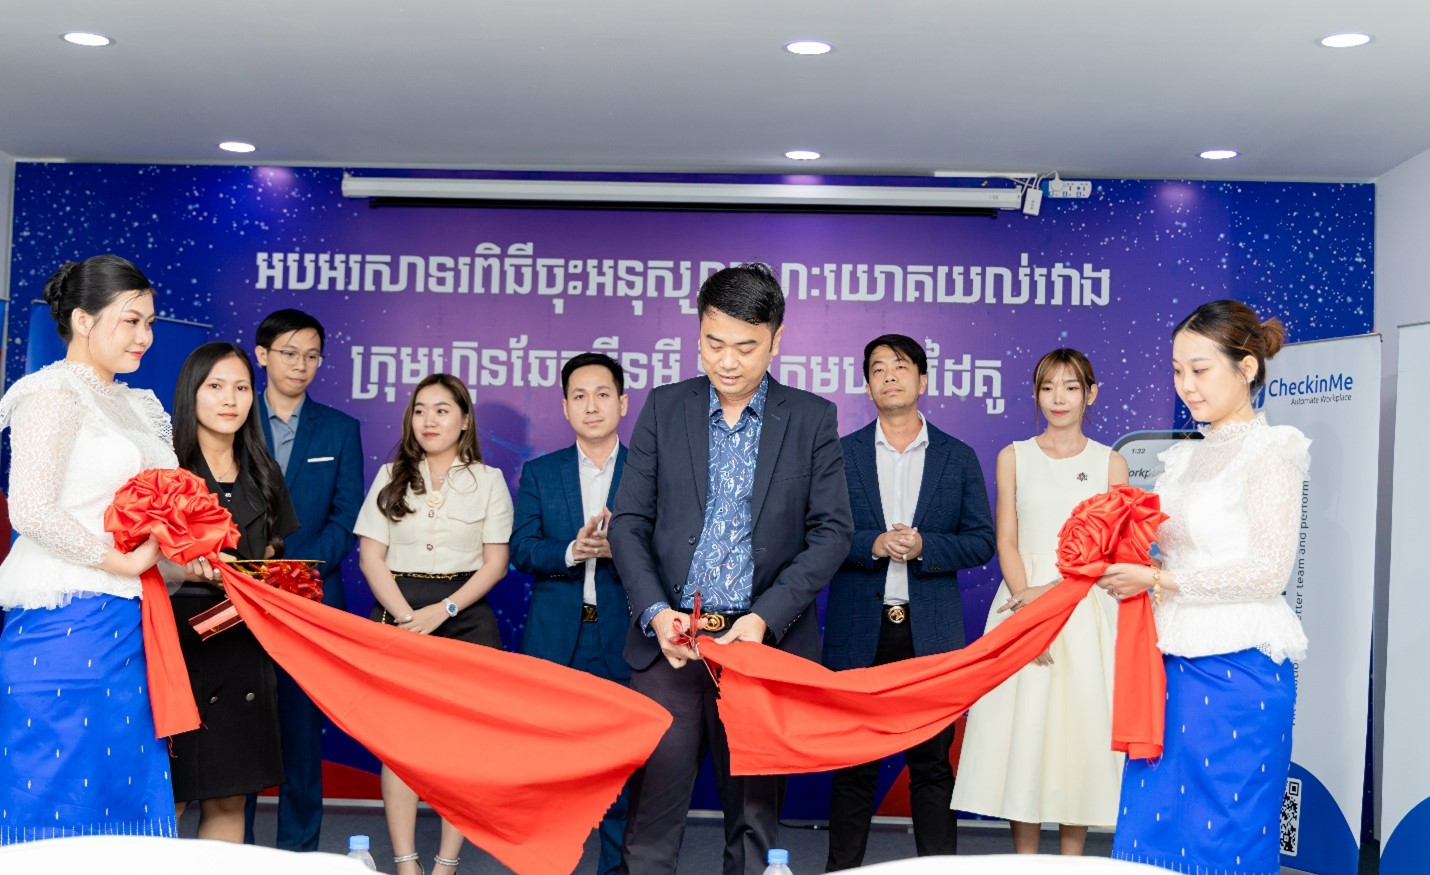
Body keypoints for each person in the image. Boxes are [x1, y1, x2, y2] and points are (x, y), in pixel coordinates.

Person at [609, 262, 853, 875]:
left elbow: (832, 533)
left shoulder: (811, 418)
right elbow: (629, 523)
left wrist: (764, 619)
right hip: (672, 645)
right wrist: (656, 613)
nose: (727, 361)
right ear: (698, 333)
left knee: (753, 826)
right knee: (651, 820)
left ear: (776, 339)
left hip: (758, 650)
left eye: (746, 346)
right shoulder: (665, 408)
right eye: (713, 342)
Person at [1098, 300, 1309, 874]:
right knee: (1155, 828)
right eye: (1176, 371)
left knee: (1225, 833)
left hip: (1239, 666)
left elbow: (1268, 570)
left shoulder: (1273, 450)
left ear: (1246, 368)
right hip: (1168, 666)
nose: (1185, 385)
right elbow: (1173, 550)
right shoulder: (1184, 458)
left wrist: (1157, 577)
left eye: (1199, 369)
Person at [0, 255, 176, 842]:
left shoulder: (137, 404)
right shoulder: (52, 393)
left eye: (149, 323)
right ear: (82, 320)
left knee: (122, 784)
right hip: (64, 618)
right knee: (57, 784)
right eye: (130, 321)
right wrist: (121, 561)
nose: (144, 336)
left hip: (132, 617)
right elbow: (30, 508)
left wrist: (187, 547)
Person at [821, 334, 996, 870]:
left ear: (922, 380)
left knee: (932, 767)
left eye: (900, 367)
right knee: (853, 767)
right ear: (867, 385)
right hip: (859, 629)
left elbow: (981, 541)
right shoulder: (839, 454)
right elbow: (818, 535)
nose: (889, 376)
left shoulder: (956, 456)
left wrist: (926, 548)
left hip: (930, 634)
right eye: (877, 369)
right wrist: (872, 544)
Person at [950, 348, 1128, 855]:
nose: (1058, 398)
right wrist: (1029, 611)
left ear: (1090, 394)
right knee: (1023, 733)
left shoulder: (1111, 463)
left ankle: (1071, 863)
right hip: (1019, 605)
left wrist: (1051, 599)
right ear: (1035, 393)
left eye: (1071, 387)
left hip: (1084, 609)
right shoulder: (1014, 456)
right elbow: (1006, 540)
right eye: (1048, 387)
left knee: (1078, 734)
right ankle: (1025, 862)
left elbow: (1107, 552)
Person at [354, 373, 513, 875]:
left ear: (464, 420)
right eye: (420, 410)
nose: (429, 420)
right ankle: (406, 863)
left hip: (464, 617)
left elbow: (495, 564)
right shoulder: (390, 476)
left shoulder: (489, 481)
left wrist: (442, 612)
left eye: (442, 410)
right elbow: (370, 557)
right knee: (400, 748)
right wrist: (408, 618)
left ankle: (446, 864)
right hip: (398, 613)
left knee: (461, 751)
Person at [168, 342, 299, 842]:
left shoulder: (264, 470)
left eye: (242, 388)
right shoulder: (165, 469)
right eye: (216, 386)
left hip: (243, 643)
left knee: (230, 795)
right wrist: (196, 572)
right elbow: (135, 555)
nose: (230, 399)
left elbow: (272, 551)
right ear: (191, 393)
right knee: (171, 793)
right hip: (176, 641)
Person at [244, 308, 364, 851]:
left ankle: (298, 856)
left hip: (312, 605)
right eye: (289, 353)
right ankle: (235, 856)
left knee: (301, 741)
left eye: (312, 356)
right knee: (240, 742)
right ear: (262, 355)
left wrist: (294, 570)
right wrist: (253, 568)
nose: (301, 365)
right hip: (240, 599)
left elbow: (346, 519)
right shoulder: (233, 418)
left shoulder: (340, 429)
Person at [511, 352, 631, 875]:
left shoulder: (649, 471)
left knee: (620, 767)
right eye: (579, 396)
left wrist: (619, 550)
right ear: (564, 407)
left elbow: (671, 550)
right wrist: (571, 551)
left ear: (622, 403)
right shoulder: (541, 472)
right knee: (552, 768)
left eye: (602, 394)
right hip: (557, 637)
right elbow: (521, 549)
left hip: (624, 638)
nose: (591, 406)